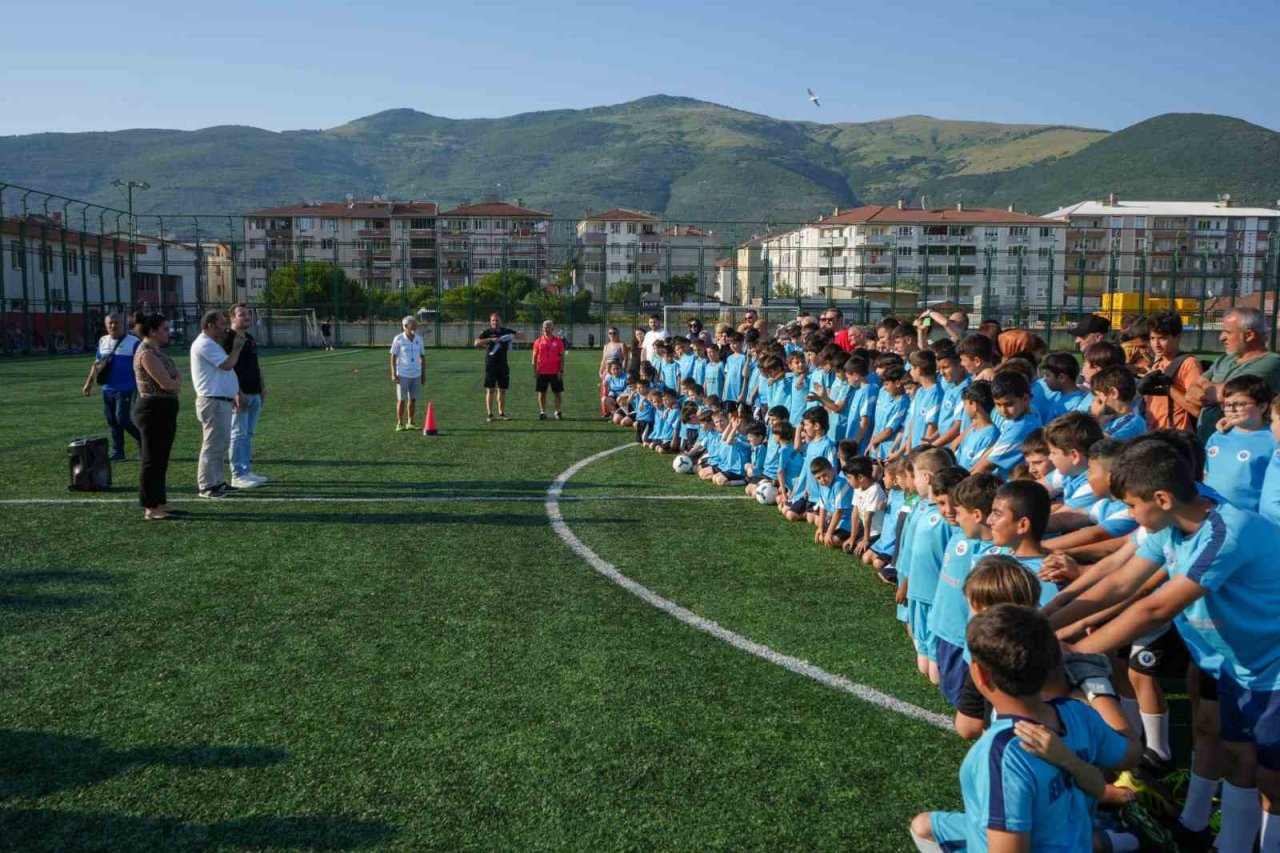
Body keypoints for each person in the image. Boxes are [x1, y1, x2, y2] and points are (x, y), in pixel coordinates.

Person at [910, 604, 1135, 853]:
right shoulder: (1079, 714)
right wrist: (1099, 688)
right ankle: (1106, 841)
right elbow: (1132, 754)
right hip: (1071, 834)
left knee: (923, 827)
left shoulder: (1002, 754)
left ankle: (1103, 842)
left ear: (979, 674)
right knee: (924, 825)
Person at [1188, 307, 1280, 443]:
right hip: (1209, 442)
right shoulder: (1225, 359)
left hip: (1243, 446)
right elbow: (1190, 392)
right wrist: (1211, 391)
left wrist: (1205, 384)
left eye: (1227, 332)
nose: (1221, 338)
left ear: (1249, 335)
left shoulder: (1271, 362)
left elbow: (1225, 394)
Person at [131, 312, 185, 521]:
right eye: (164, 329)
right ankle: (151, 508)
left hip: (163, 409)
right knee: (152, 460)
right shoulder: (146, 353)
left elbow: (177, 376)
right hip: (153, 410)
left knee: (160, 459)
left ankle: (160, 503)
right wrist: (176, 382)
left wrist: (176, 381)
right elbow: (169, 383)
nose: (168, 332)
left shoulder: (156, 351)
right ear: (153, 331)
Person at [190, 309, 245, 499]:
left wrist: (234, 393)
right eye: (221, 324)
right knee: (212, 445)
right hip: (212, 402)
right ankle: (206, 485)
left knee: (221, 444)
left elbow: (225, 372)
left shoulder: (212, 343)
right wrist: (237, 347)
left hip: (220, 401)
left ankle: (218, 482)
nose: (225, 327)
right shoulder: (204, 343)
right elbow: (227, 365)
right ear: (209, 325)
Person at [81, 313, 142, 461]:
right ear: (106, 325)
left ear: (123, 325)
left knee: (122, 419)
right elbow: (97, 364)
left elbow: (142, 365)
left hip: (126, 387)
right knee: (112, 420)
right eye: (110, 323)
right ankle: (118, 452)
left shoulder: (133, 342)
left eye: (116, 323)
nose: (113, 326)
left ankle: (145, 442)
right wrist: (88, 383)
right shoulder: (103, 341)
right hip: (108, 388)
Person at [227, 304, 267, 489]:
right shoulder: (228, 339)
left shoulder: (249, 338)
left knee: (248, 435)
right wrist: (237, 393)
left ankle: (246, 470)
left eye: (248, 313)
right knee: (238, 434)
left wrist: (262, 387)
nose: (246, 317)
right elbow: (228, 369)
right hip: (240, 396)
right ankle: (237, 475)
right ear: (233, 318)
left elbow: (255, 365)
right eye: (242, 314)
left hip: (254, 393)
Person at [1143, 311, 1201, 430]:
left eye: (1162, 338)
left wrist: (1169, 388)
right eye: (1152, 338)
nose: (1156, 344)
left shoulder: (1188, 364)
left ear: (1177, 337)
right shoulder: (1156, 364)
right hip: (1154, 433)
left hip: (1177, 436)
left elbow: (1197, 410)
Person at [475, 312, 520, 422]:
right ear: (490, 322)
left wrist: (512, 336)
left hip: (503, 365)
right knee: (490, 390)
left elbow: (522, 336)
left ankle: (501, 413)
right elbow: (476, 343)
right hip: (491, 364)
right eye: (493, 320)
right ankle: (490, 414)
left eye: (497, 320)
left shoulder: (505, 331)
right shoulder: (487, 332)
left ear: (500, 321)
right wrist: (490, 340)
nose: (495, 322)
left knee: (502, 390)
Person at [390, 315, 426, 431]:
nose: (415, 325)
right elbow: (393, 357)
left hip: (416, 374)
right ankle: (400, 423)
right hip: (403, 374)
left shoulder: (419, 339)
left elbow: (422, 357)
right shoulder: (398, 338)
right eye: (413, 323)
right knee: (401, 400)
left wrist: (423, 373)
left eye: (415, 323)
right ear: (405, 326)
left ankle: (410, 422)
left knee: (413, 399)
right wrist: (393, 373)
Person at [532, 319, 567, 420]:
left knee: (557, 393)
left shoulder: (558, 341)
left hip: (555, 372)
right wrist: (535, 371)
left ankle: (557, 412)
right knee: (542, 393)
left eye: (549, 327)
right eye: (545, 327)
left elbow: (562, 358)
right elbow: (534, 358)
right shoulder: (538, 341)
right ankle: (543, 412)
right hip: (541, 372)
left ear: (553, 329)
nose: (547, 329)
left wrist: (561, 371)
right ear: (542, 329)